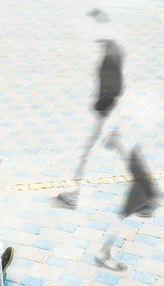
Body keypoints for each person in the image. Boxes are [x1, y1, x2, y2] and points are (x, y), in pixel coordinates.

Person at [56, 39, 124, 208]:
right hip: (109, 111)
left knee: (90, 152)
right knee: (118, 151)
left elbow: (115, 86)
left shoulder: (111, 60)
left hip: (107, 111)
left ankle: (73, 194)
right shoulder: (112, 57)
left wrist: (104, 102)